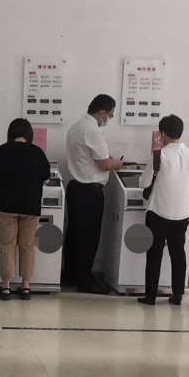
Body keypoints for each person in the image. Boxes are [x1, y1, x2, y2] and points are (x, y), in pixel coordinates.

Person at [60, 94, 124, 293]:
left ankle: (70, 275)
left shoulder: (75, 127)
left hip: (75, 187)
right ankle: (85, 281)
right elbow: (104, 163)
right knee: (88, 238)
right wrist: (117, 163)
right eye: (109, 116)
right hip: (90, 191)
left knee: (74, 235)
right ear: (102, 112)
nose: (108, 120)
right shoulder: (93, 131)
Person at [0, 118, 52, 301]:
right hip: (31, 206)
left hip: (6, 205)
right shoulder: (37, 153)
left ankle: (6, 287)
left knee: (7, 245)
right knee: (27, 245)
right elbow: (47, 179)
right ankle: (25, 287)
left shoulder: (2, 150)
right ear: (29, 134)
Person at [138, 114, 189, 305]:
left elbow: (143, 183)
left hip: (158, 212)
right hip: (181, 214)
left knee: (154, 254)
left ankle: (150, 296)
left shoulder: (159, 155)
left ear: (163, 134)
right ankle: (178, 294)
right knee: (178, 253)